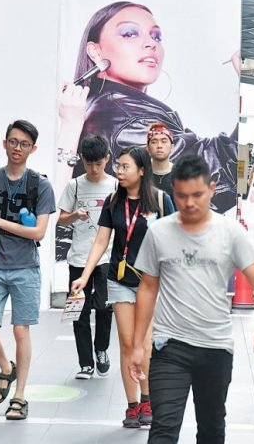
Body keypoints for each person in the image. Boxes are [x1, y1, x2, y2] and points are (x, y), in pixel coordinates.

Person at [128, 154, 254, 444]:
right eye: (181, 196)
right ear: (173, 192)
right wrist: (137, 345)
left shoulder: (230, 232)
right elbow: (147, 289)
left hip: (215, 347)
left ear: (211, 189)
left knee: (211, 429)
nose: (189, 203)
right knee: (163, 429)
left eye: (197, 195)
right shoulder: (159, 232)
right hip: (169, 346)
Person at [58, 1, 237, 213]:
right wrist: (246, 86)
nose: (151, 43)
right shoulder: (125, 119)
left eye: (156, 37)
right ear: (95, 52)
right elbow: (214, 183)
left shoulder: (106, 108)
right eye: (129, 34)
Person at [71, 146, 175, 428]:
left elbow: (174, 239)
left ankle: (147, 399)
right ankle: (132, 405)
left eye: (125, 166)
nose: (119, 171)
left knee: (144, 343)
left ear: (141, 170)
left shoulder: (161, 201)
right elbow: (101, 241)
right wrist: (85, 275)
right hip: (119, 279)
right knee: (127, 343)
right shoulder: (113, 201)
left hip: (150, 282)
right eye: (118, 166)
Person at [0, 120, 56, 420]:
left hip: (25, 268)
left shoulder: (40, 185)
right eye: (13, 142)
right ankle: (7, 369)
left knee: (21, 330)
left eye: (24, 144)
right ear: (4, 143)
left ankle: (19, 396)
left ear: (33, 149)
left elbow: (39, 232)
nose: (18, 148)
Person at [57, 135, 117, 379]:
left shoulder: (115, 186)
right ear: (81, 159)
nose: (93, 169)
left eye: (98, 164)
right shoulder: (74, 185)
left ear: (107, 159)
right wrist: (75, 215)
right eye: (89, 163)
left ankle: (101, 349)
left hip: (106, 257)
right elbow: (61, 219)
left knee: (104, 306)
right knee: (78, 312)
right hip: (78, 258)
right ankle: (85, 363)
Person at [146, 122, 175, 196]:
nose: (159, 146)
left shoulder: (181, 175)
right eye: (154, 142)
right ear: (147, 148)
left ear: (172, 147)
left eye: (164, 141)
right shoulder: (140, 175)